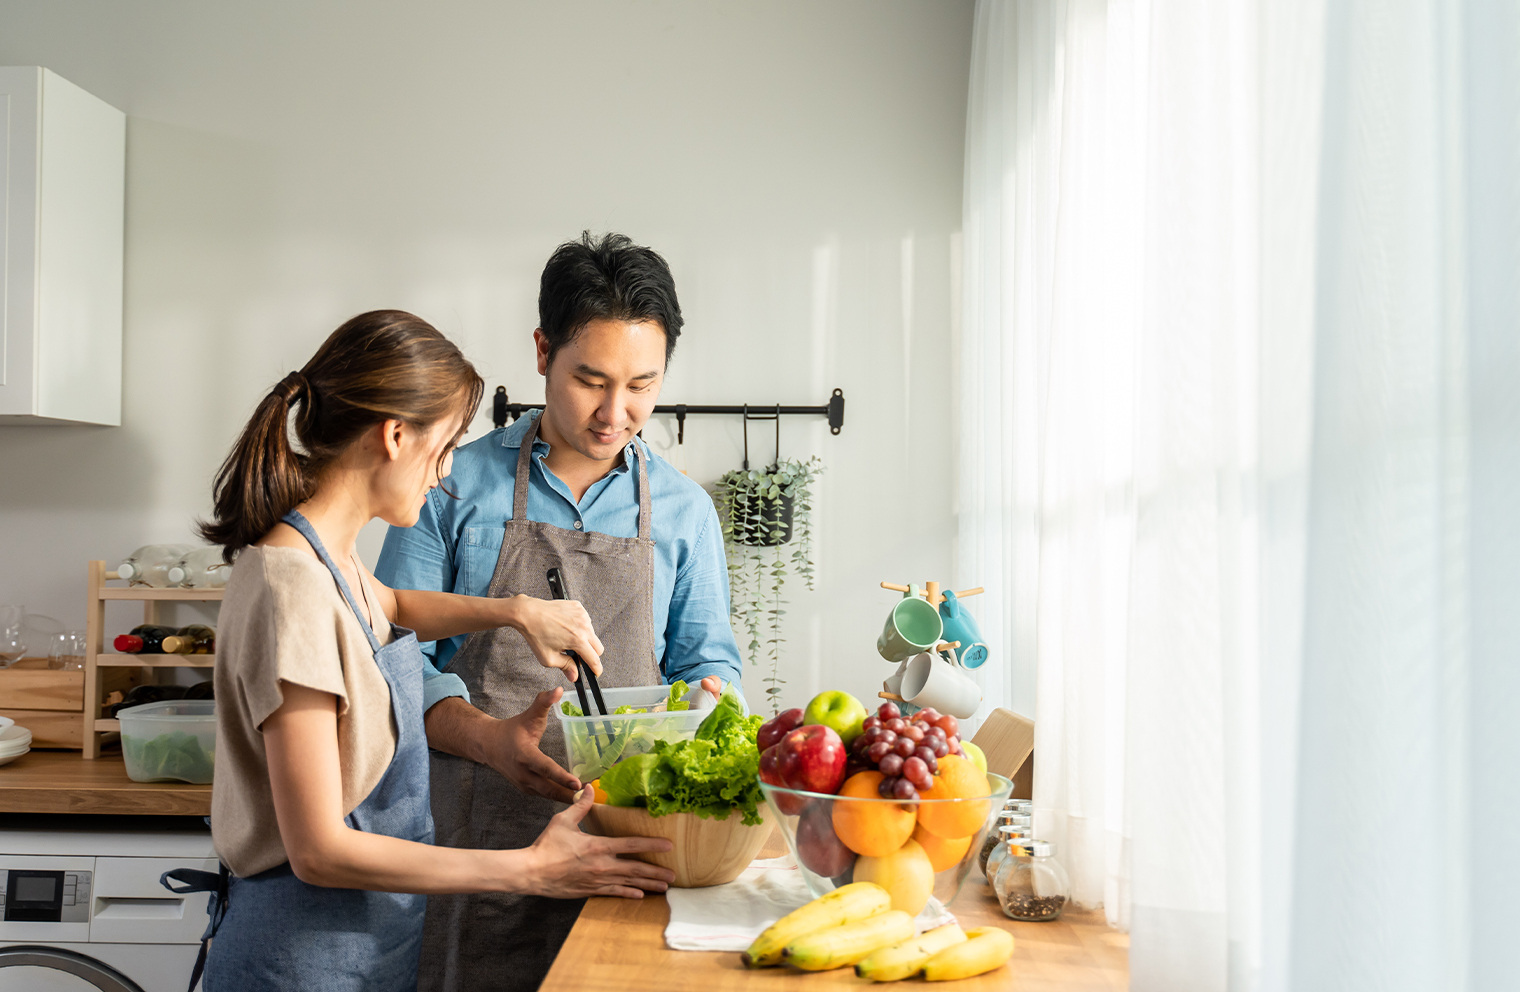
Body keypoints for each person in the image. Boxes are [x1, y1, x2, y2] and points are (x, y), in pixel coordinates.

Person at [179, 311, 674, 992]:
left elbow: (396, 606)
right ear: (394, 435)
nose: (444, 474)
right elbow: (319, 849)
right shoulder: (289, 587)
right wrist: (532, 868)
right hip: (302, 957)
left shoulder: (327, 560)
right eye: (443, 450)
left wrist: (516, 612)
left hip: (365, 947)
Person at [375, 232, 744, 991]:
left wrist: (713, 703)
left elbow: (707, 660)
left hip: (630, 849)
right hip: (476, 841)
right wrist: (484, 738)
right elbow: (391, 656)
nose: (617, 412)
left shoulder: (683, 512)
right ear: (542, 351)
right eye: (590, 379)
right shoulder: (449, 484)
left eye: (643, 384)